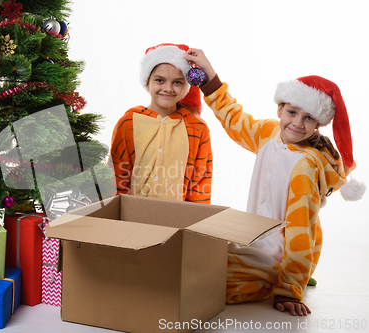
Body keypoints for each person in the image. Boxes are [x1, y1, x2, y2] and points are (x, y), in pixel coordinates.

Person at [183, 48, 365, 316]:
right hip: (253, 242)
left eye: (309, 118)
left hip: (279, 256)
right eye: (292, 112)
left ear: (318, 125)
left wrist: (290, 287)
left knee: (203, 285)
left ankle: (282, 279)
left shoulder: (305, 166)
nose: (297, 124)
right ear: (280, 108)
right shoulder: (270, 133)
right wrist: (209, 74)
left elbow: (302, 230)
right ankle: (282, 275)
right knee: (193, 260)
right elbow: (234, 119)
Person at [110, 43, 213, 203]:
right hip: (133, 221)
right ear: (147, 82)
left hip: (177, 222)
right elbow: (116, 180)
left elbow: (200, 186)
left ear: (186, 86)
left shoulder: (197, 129)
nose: (168, 88)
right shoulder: (128, 123)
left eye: (177, 82)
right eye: (160, 80)